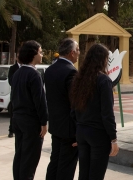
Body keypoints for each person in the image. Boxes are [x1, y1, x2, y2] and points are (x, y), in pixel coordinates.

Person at [69, 44, 119, 180]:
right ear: (103, 60)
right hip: (98, 134)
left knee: (84, 174)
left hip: (82, 132)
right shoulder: (104, 80)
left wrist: (78, 131)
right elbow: (107, 113)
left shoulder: (79, 79)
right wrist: (113, 138)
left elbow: (73, 110)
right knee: (96, 174)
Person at [11, 40, 48, 180]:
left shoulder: (18, 73)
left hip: (18, 119)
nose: (42, 54)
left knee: (20, 155)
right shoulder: (34, 74)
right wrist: (44, 122)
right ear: (33, 54)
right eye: (40, 51)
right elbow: (40, 101)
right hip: (31, 122)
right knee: (30, 159)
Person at [45, 39, 80, 180]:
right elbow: (75, 104)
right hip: (69, 129)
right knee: (66, 167)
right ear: (71, 53)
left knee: (55, 162)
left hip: (56, 126)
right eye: (77, 50)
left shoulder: (50, 70)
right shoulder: (71, 72)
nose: (79, 53)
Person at [8, 59, 21, 138]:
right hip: (15, 94)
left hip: (23, 95)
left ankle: (18, 130)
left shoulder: (26, 68)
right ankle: (11, 130)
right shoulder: (13, 68)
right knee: (13, 114)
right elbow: (10, 81)